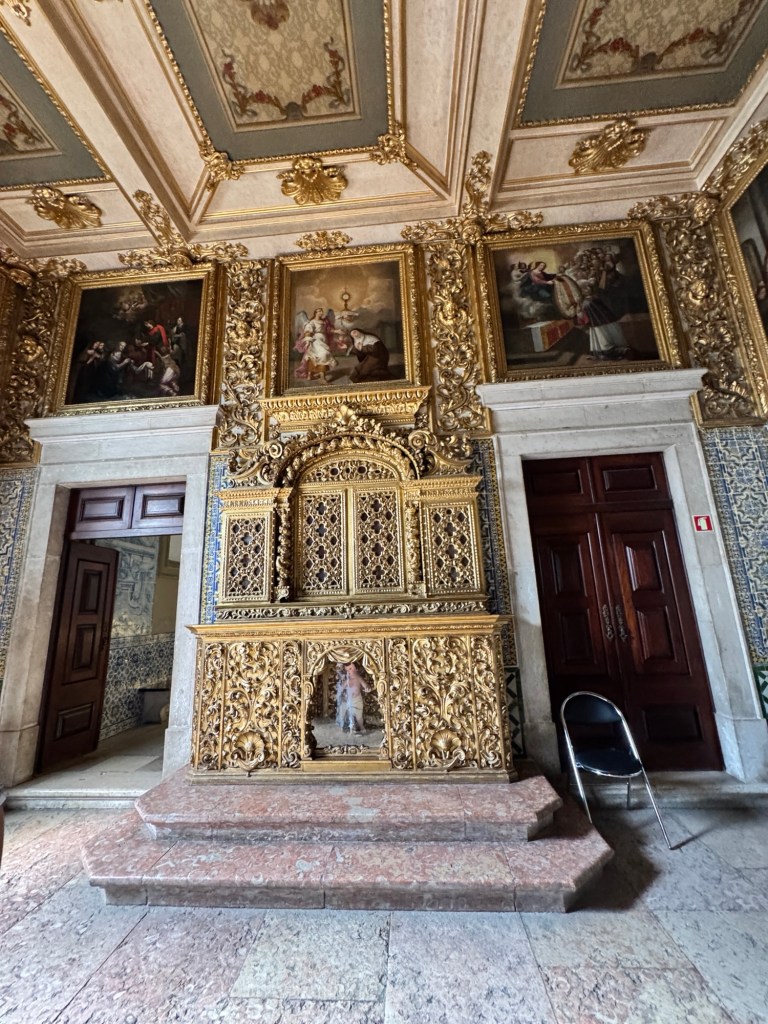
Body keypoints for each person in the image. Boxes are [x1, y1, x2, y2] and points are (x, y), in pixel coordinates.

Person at [335, 661, 370, 734]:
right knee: (342, 710)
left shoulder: (358, 678)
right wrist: (340, 690)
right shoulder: (347, 680)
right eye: (347, 670)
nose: (348, 672)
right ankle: (341, 726)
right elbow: (341, 687)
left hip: (357, 700)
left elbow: (365, 685)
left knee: (359, 716)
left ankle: (361, 726)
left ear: (356, 669)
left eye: (350, 669)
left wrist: (367, 688)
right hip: (348, 700)